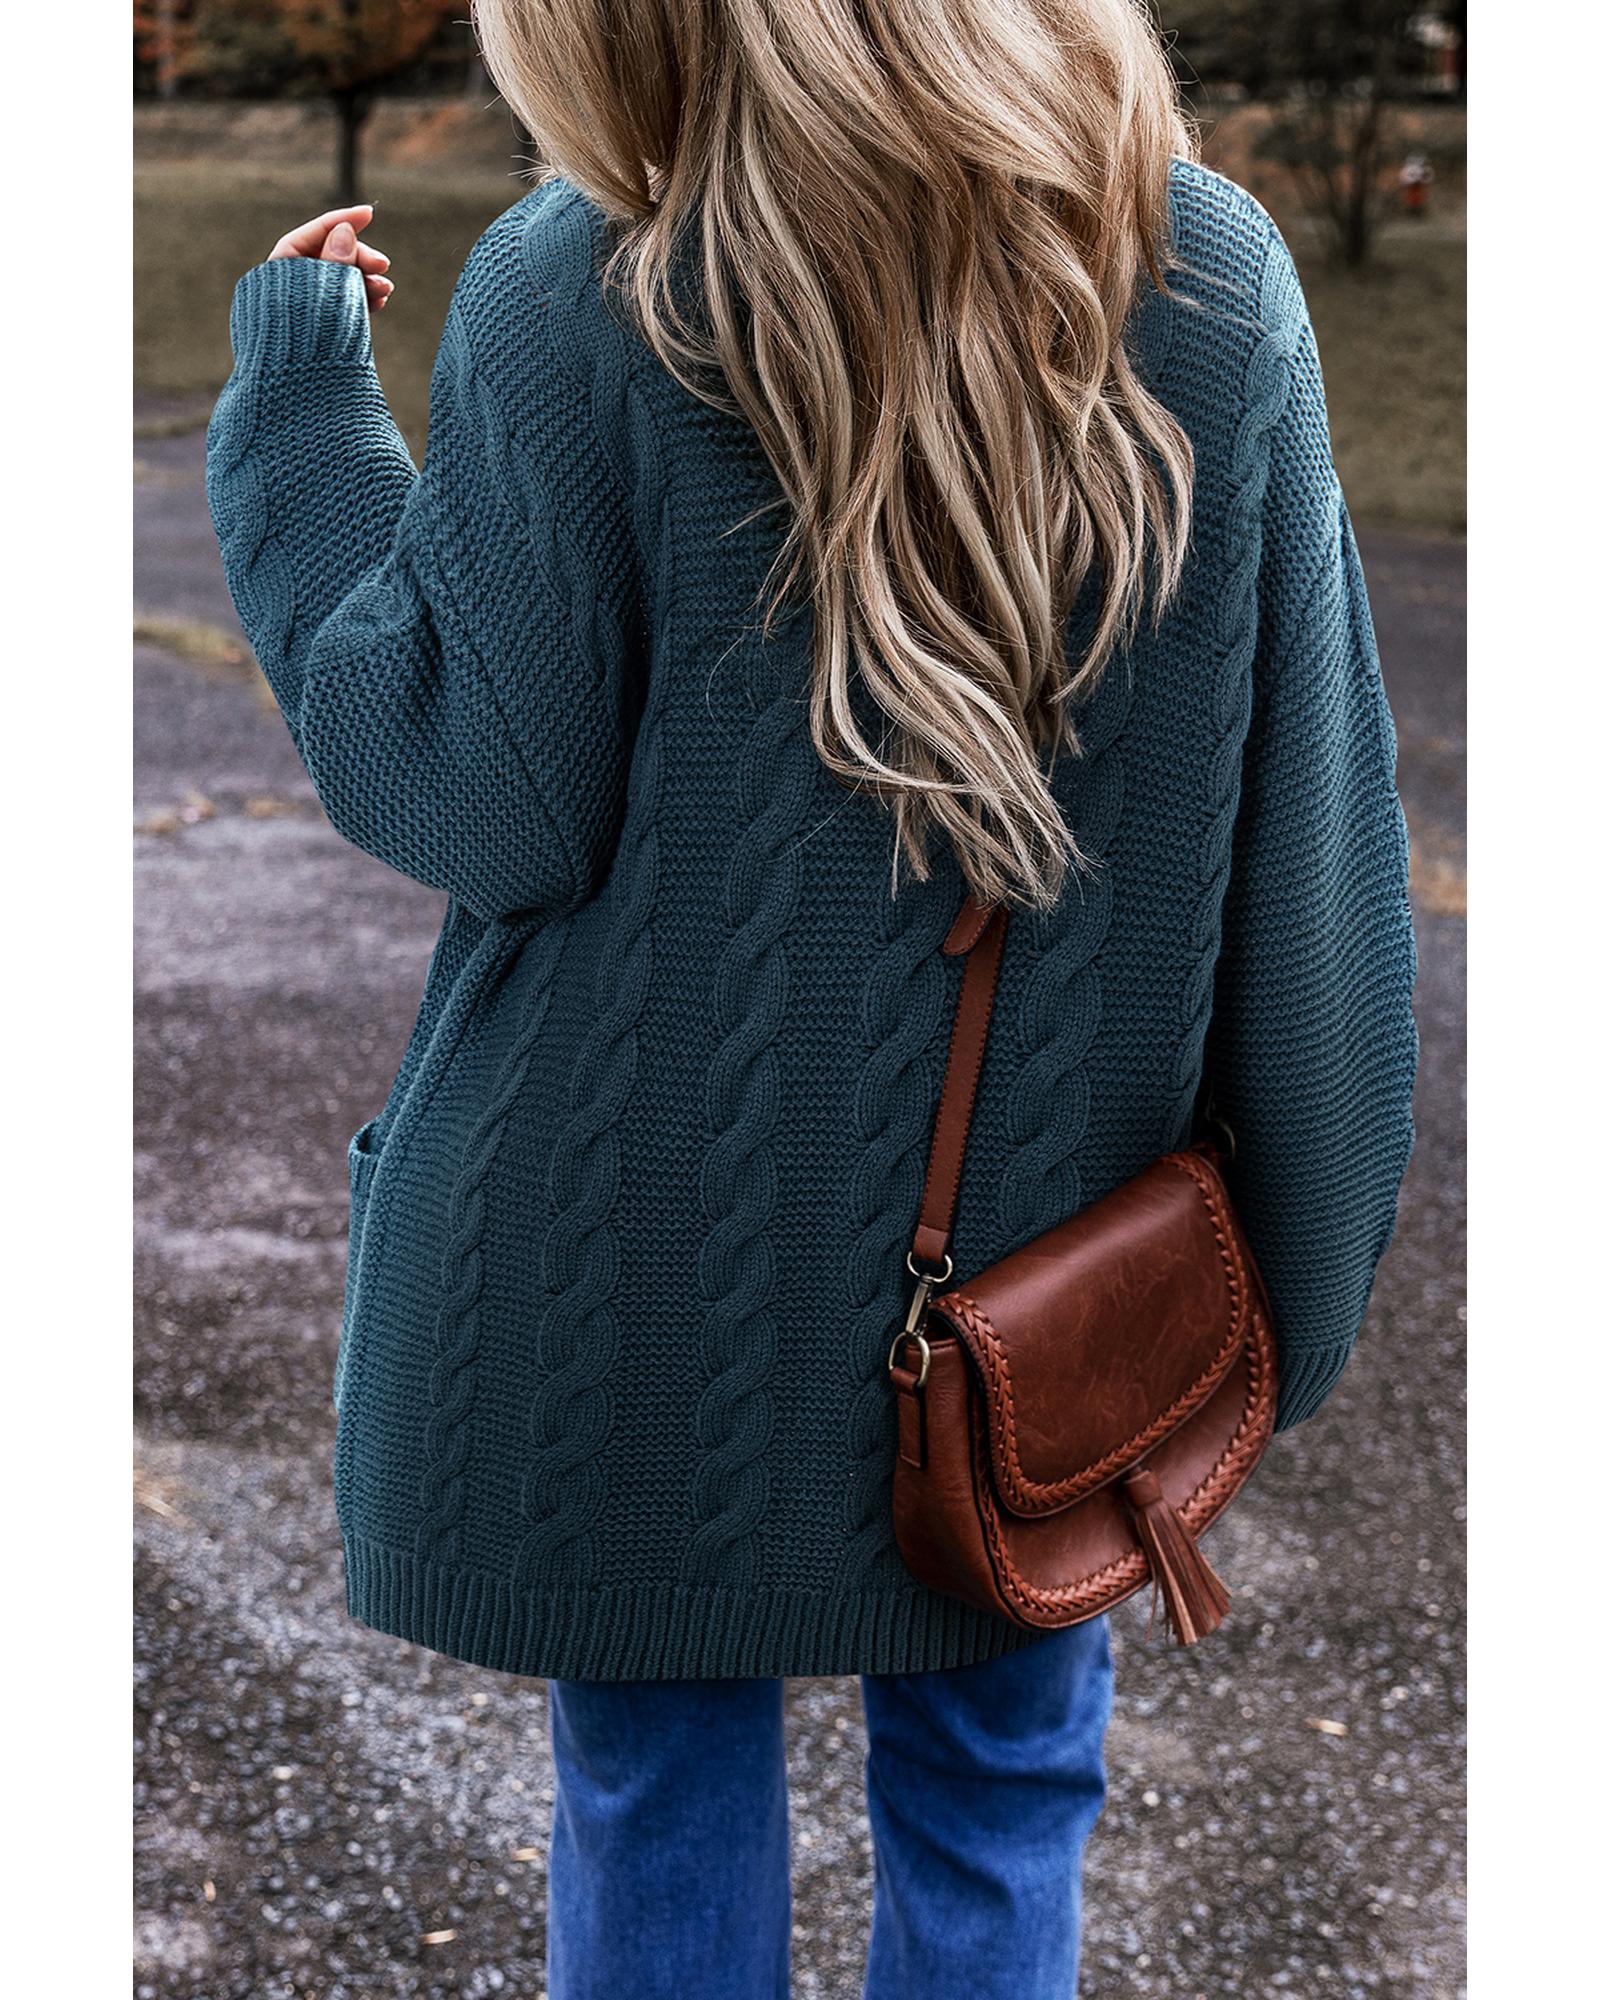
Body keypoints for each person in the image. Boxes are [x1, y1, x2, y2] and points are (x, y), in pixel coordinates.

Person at [204, 2, 1418, 1993]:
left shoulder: (580, 278)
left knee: (655, 1797)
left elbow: (472, 796)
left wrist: (303, 413)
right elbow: (1316, 859)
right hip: (1039, 1282)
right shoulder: (1195, 270)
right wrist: (1286, 1286)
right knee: (998, 1790)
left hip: (622, 1270)